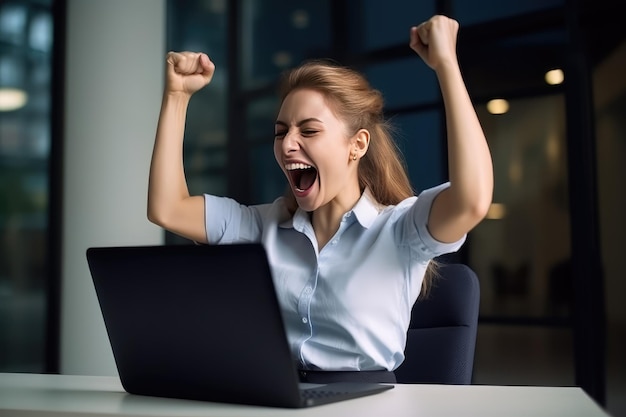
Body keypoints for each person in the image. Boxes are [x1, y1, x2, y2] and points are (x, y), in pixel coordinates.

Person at [147, 15, 493, 383]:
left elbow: (471, 201)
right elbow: (167, 208)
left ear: (357, 145)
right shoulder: (260, 226)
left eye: (308, 130)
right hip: (271, 395)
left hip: (365, 404)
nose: (288, 144)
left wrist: (446, 65)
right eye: (281, 132)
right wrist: (176, 97)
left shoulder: (401, 229)